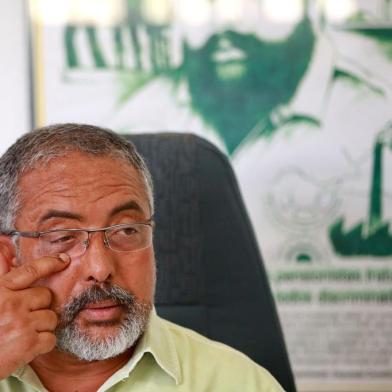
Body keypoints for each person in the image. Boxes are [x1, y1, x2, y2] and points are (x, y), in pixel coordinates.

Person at [0, 124, 284, 392]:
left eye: (126, 230)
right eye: (63, 237)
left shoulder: (237, 383)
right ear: (8, 256)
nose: (100, 269)